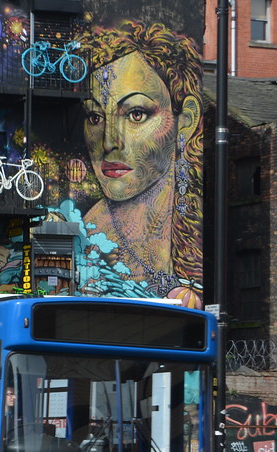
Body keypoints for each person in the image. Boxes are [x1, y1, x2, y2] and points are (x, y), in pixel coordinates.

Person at [75, 21, 204, 306]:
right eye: (95, 117)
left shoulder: (191, 228)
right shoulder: (88, 240)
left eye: (136, 114)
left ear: (185, 120)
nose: (109, 142)